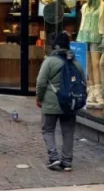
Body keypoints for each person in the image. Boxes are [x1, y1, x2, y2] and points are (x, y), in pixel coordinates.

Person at [36, 32, 86, 172]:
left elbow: (41, 82)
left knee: (48, 130)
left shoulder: (49, 61)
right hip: (70, 103)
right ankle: (67, 161)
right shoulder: (75, 63)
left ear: (55, 46)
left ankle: (53, 158)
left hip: (51, 102)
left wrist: (39, 98)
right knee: (68, 132)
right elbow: (83, 83)